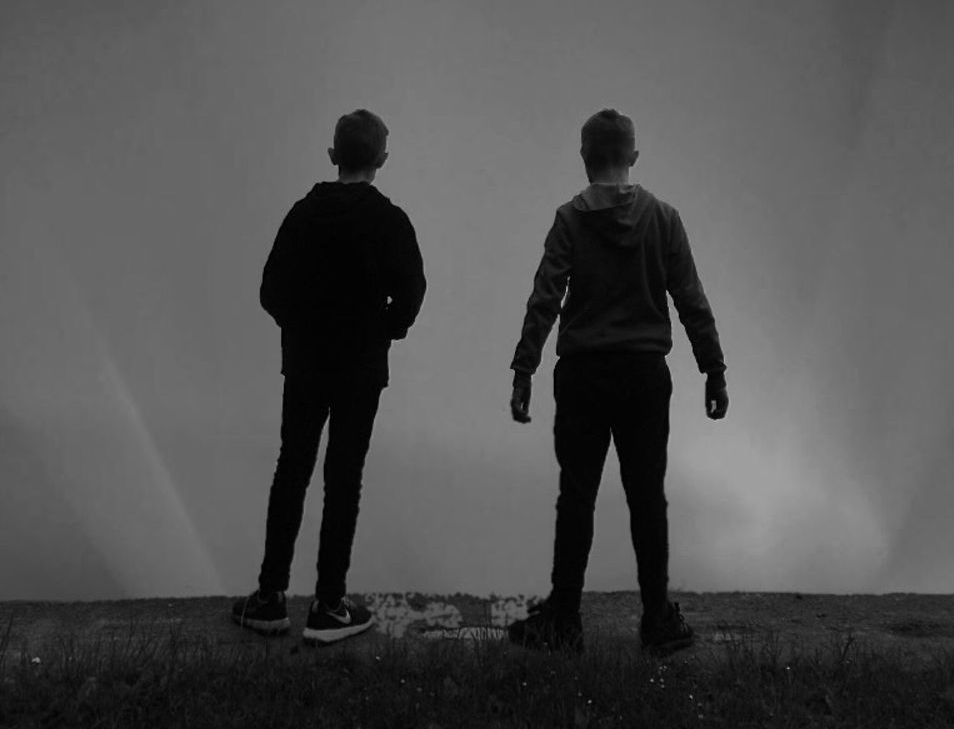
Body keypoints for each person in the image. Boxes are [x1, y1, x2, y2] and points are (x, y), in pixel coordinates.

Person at [232, 107, 728, 656]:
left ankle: (563, 616)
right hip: (642, 374)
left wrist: (524, 368)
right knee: (646, 496)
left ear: (585, 158)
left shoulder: (570, 218)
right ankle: (657, 617)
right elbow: (690, 298)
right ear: (633, 156)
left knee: (575, 497)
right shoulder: (665, 219)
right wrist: (713, 367)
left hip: (578, 374)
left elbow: (547, 295)